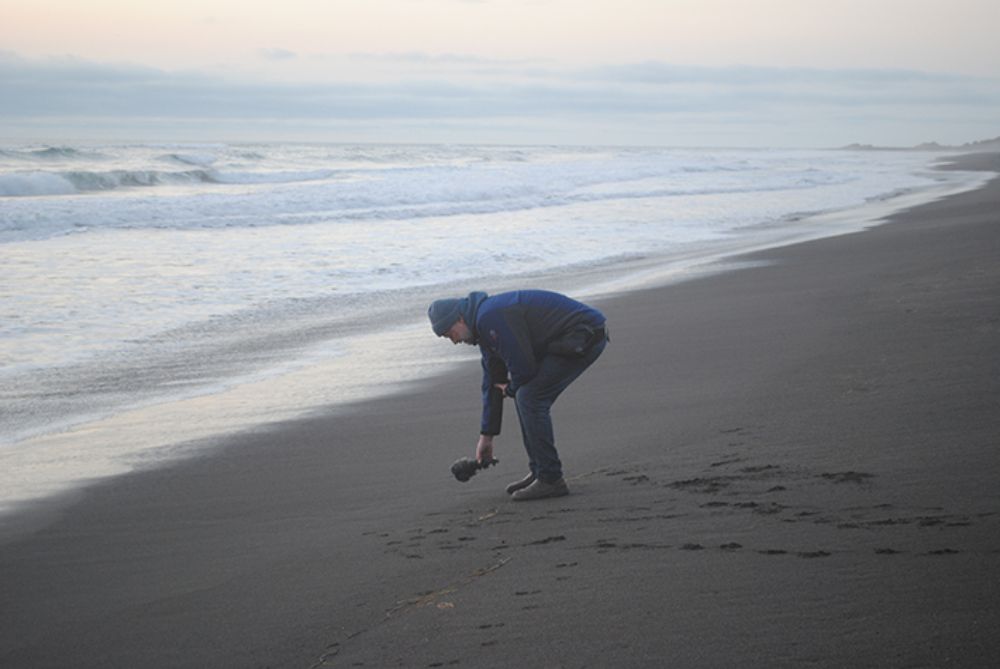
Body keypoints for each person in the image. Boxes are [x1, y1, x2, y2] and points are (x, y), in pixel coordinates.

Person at [428, 289, 608, 500]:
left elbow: (524, 368)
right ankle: (540, 471)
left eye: (450, 334)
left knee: (529, 397)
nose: (454, 341)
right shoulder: (483, 327)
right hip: (564, 340)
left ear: (459, 319)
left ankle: (551, 479)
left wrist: (511, 389)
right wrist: (486, 437)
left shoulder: (490, 317)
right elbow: (493, 383)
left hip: (583, 335)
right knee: (526, 395)